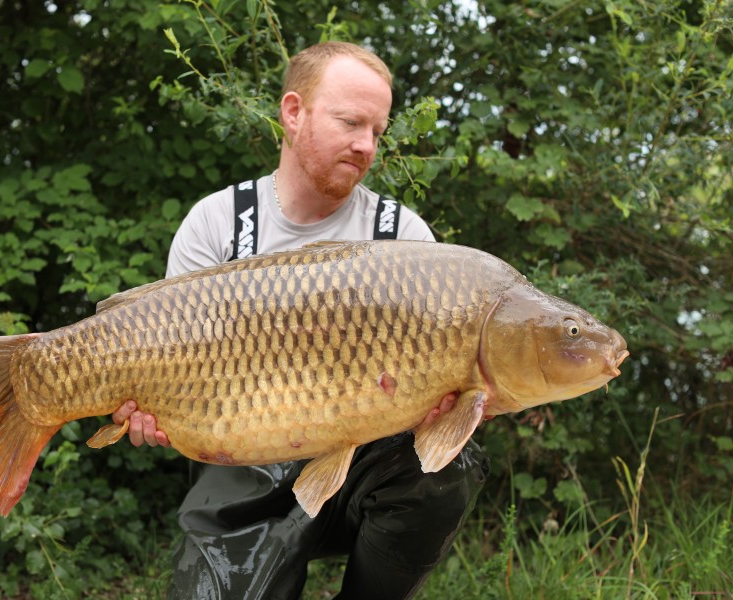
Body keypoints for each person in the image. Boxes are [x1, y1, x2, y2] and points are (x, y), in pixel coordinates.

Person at [112, 41, 490, 599]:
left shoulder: (405, 240)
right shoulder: (217, 224)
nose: (366, 146)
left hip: (365, 470)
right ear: (294, 113)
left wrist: (439, 412)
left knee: (448, 468)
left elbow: (443, 407)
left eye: (377, 132)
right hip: (243, 469)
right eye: (350, 123)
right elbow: (166, 367)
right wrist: (146, 409)